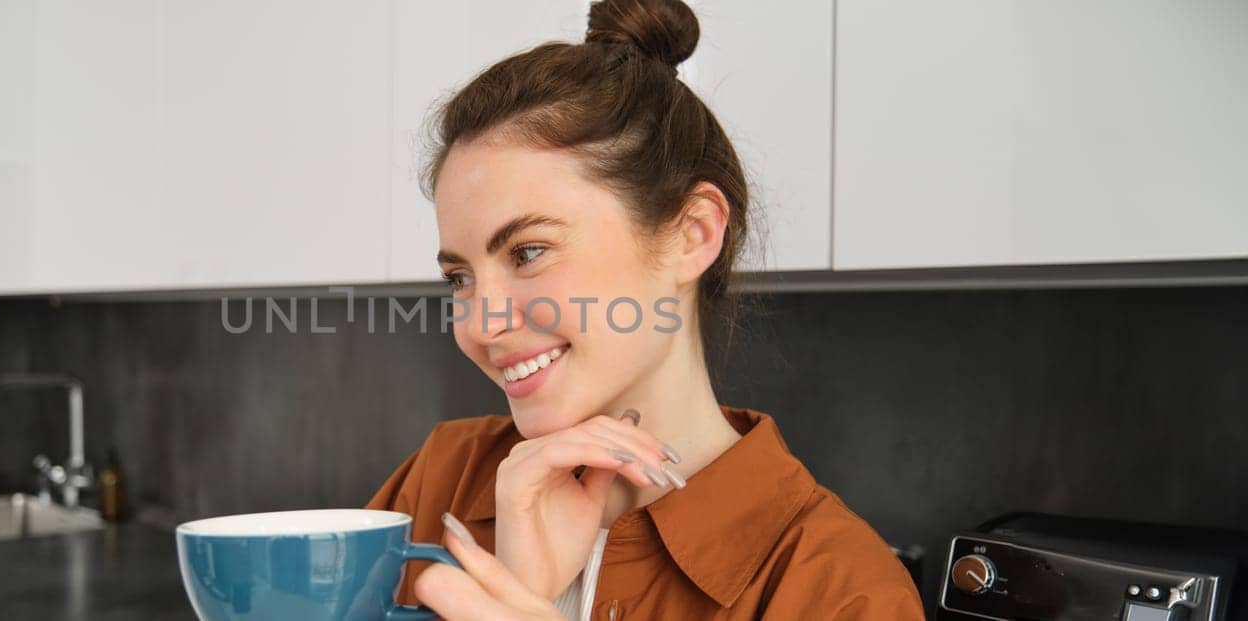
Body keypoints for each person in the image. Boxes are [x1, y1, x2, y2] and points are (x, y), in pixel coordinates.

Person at [363, 0, 925, 618]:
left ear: (692, 234)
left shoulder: (837, 588)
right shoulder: (441, 478)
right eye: (459, 278)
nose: (480, 323)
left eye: (527, 252)